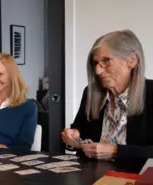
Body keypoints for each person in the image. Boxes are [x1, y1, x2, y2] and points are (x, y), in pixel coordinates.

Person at [62, 29, 153, 163]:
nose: (98, 71)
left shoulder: (151, 93)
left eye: (106, 61)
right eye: (95, 63)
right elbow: (79, 131)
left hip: (135, 179)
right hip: (90, 174)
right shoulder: (91, 92)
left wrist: (116, 151)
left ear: (131, 61)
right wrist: (74, 137)